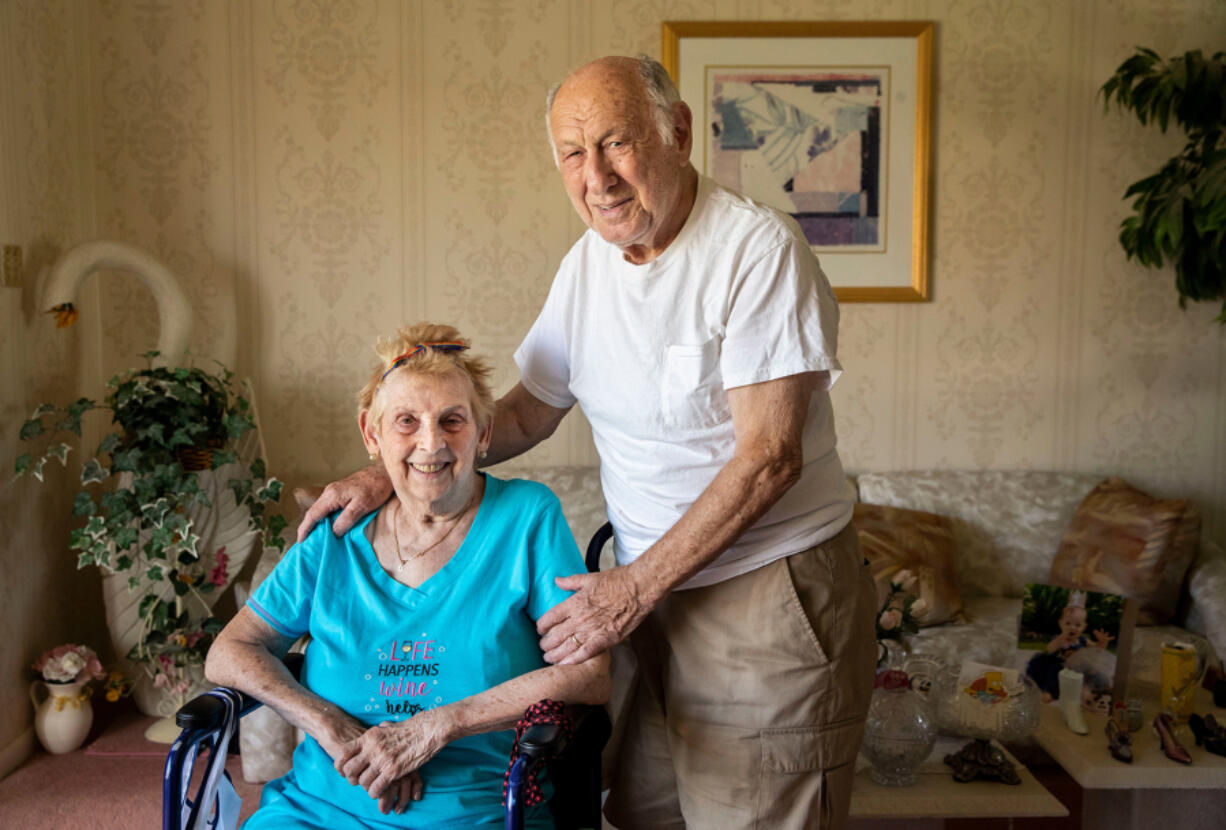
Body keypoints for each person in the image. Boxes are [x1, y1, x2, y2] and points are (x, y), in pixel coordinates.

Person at [299, 56, 877, 829]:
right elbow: (527, 411)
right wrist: (393, 475)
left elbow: (770, 457)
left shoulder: (756, 251)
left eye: (616, 143)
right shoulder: (589, 265)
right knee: (642, 814)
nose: (596, 175)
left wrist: (632, 590)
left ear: (675, 133)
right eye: (573, 153)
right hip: (649, 598)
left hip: (762, 591)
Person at [206, 323, 610, 829]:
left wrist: (436, 727)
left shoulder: (527, 518)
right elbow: (229, 650)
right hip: (319, 809)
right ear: (371, 435)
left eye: (452, 420)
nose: (431, 442)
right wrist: (330, 726)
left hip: (471, 813)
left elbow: (590, 676)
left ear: (483, 433)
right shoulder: (336, 534)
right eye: (406, 421)